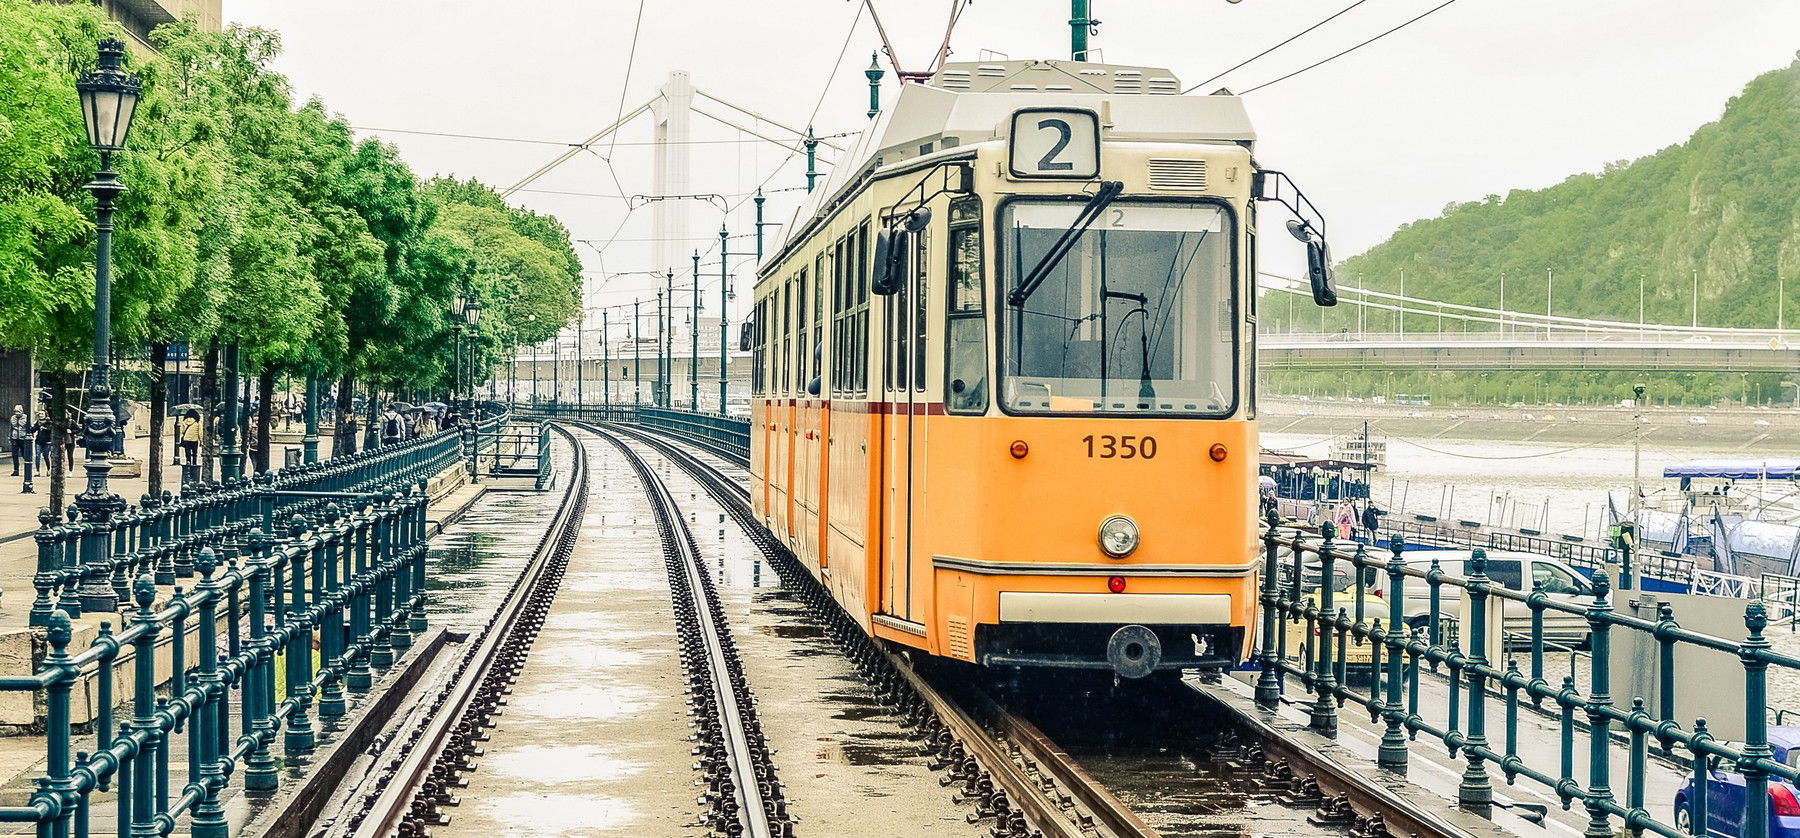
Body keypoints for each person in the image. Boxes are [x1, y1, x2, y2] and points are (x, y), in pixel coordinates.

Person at [7, 406, 27, 476]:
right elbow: (10, 427)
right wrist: (9, 437)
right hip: (15, 437)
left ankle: (27, 469)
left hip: (23, 438)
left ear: (22, 411)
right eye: (15, 411)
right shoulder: (13, 418)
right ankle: (16, 470)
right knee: (14, 454)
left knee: (24, 454)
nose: (17, 413)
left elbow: (29, 428)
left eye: (18, 411)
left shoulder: (26, 417)